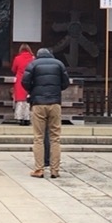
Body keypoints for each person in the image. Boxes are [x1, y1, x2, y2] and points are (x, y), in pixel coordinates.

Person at [21, 47, 69, 178]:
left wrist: (33, 90)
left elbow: (24, 82)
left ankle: (39, 169)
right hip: (55, 103)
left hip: (38, 103)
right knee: (55, 137)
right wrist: (56, 89)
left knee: (39, 137)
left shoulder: (33, 64)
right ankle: (55, 170)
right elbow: (65, 83)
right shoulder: (59, 64)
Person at [11, 43, 34, 126]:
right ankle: (27, 118)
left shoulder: (17, 58)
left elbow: (13, 69)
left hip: (20, 80)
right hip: (30, 79)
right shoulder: (33, 58)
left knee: (20, 100)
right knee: (27, 100)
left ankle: (20, 117)